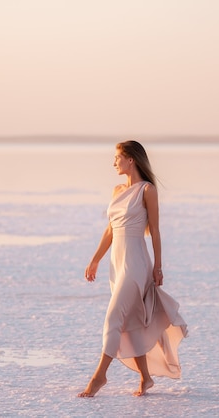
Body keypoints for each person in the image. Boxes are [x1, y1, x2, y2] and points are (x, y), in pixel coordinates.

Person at [78, 140, 188, 397]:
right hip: (117, 262)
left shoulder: (147, 190)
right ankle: (146, 378)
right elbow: (110, 229)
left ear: (131, 159)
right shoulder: (117, 190)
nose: (113, 162)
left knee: (114, 317)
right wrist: (95, 259)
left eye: (117, 157)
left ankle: (99, 377)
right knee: (131, 322)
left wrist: (158, 267)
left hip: (136, 262)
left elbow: (156, 231)